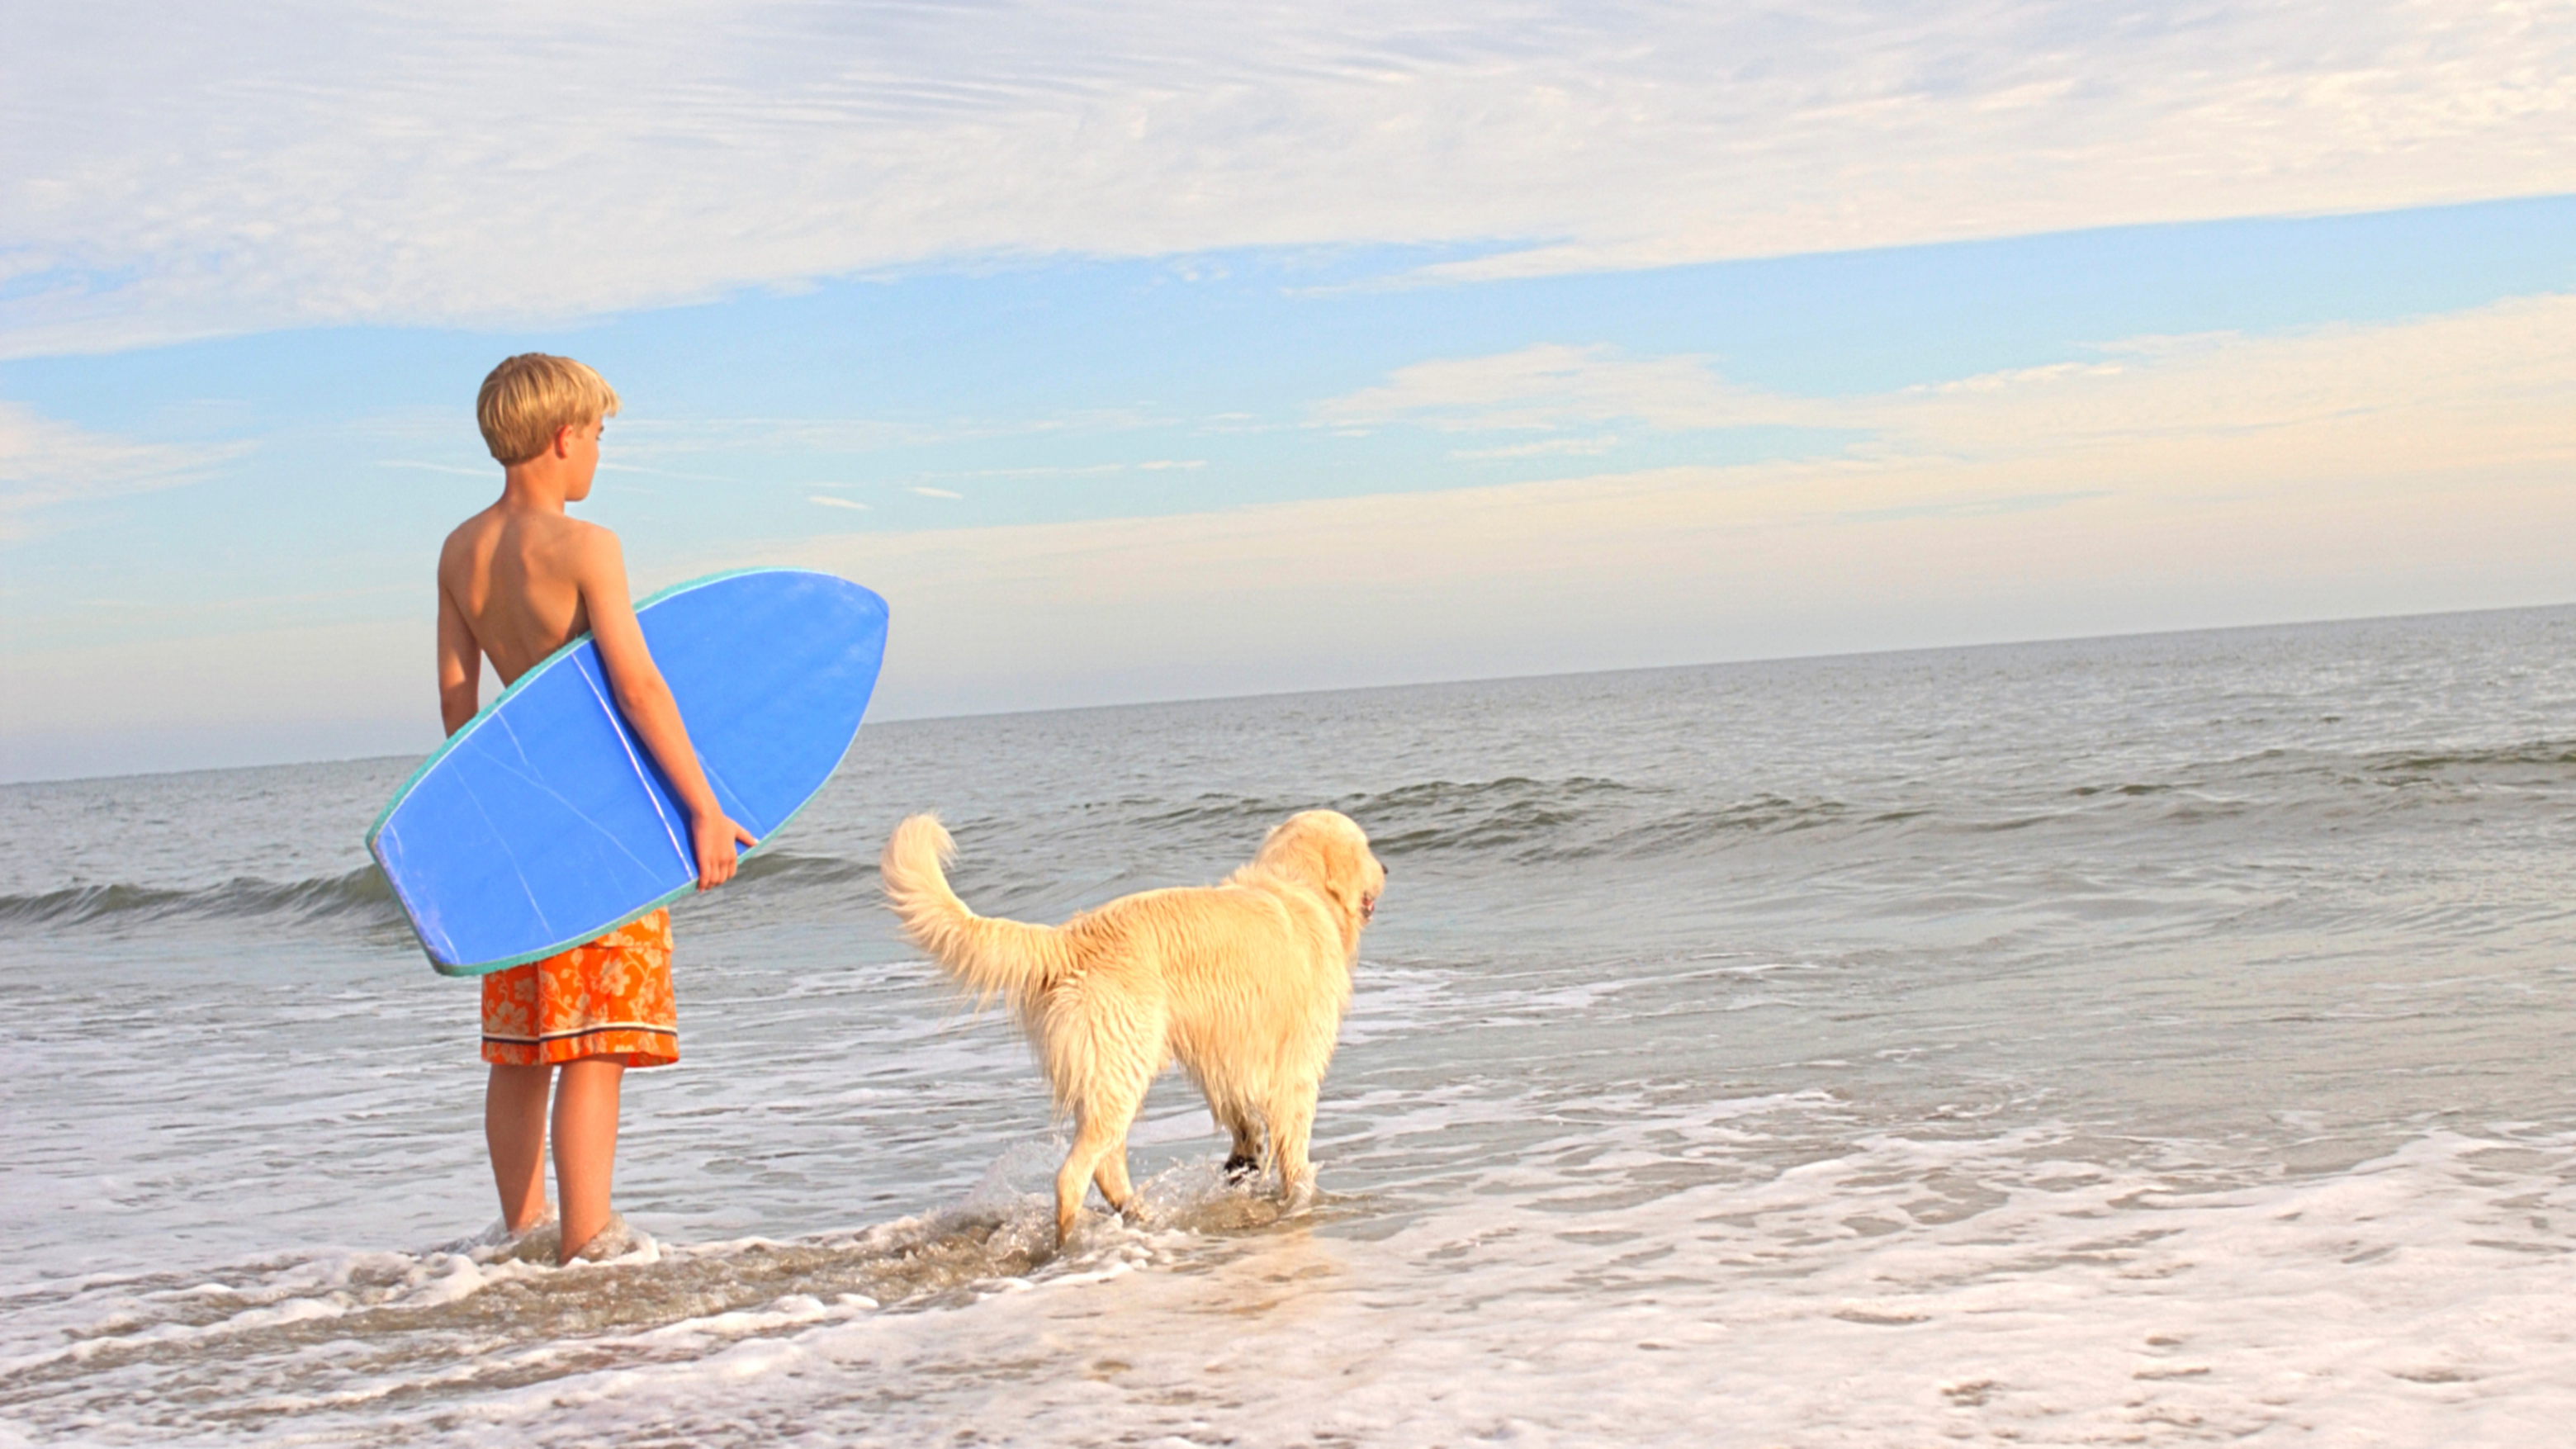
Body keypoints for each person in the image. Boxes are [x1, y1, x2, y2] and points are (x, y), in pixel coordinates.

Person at [434, 353, 754, 1263]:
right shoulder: (586, 547)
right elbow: (640, 687)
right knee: (592, 1044)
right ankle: (585, 1245)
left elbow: (460, 707)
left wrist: (473, 826)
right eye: (601, 437)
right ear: (564, 437)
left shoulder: (460, 553)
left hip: (516, 824)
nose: (600, 455)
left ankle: (519, 1233)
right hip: (601, 826)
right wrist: (701, 806)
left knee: (521, 1043)